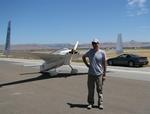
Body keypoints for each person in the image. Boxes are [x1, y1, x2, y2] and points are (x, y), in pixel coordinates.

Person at [82, 38, 107, 110]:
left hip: (99, 74)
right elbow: (83, 57)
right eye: (93, 43)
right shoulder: (90, 52)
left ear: (98, 44)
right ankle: (90, 103)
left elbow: (105, 64)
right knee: (90, 90)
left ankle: (100, 104)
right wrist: (87, 64)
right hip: (91, 75)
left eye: (96, 43)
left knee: (100, 90)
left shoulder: (102, 52)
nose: (94, 45)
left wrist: (104, 75)